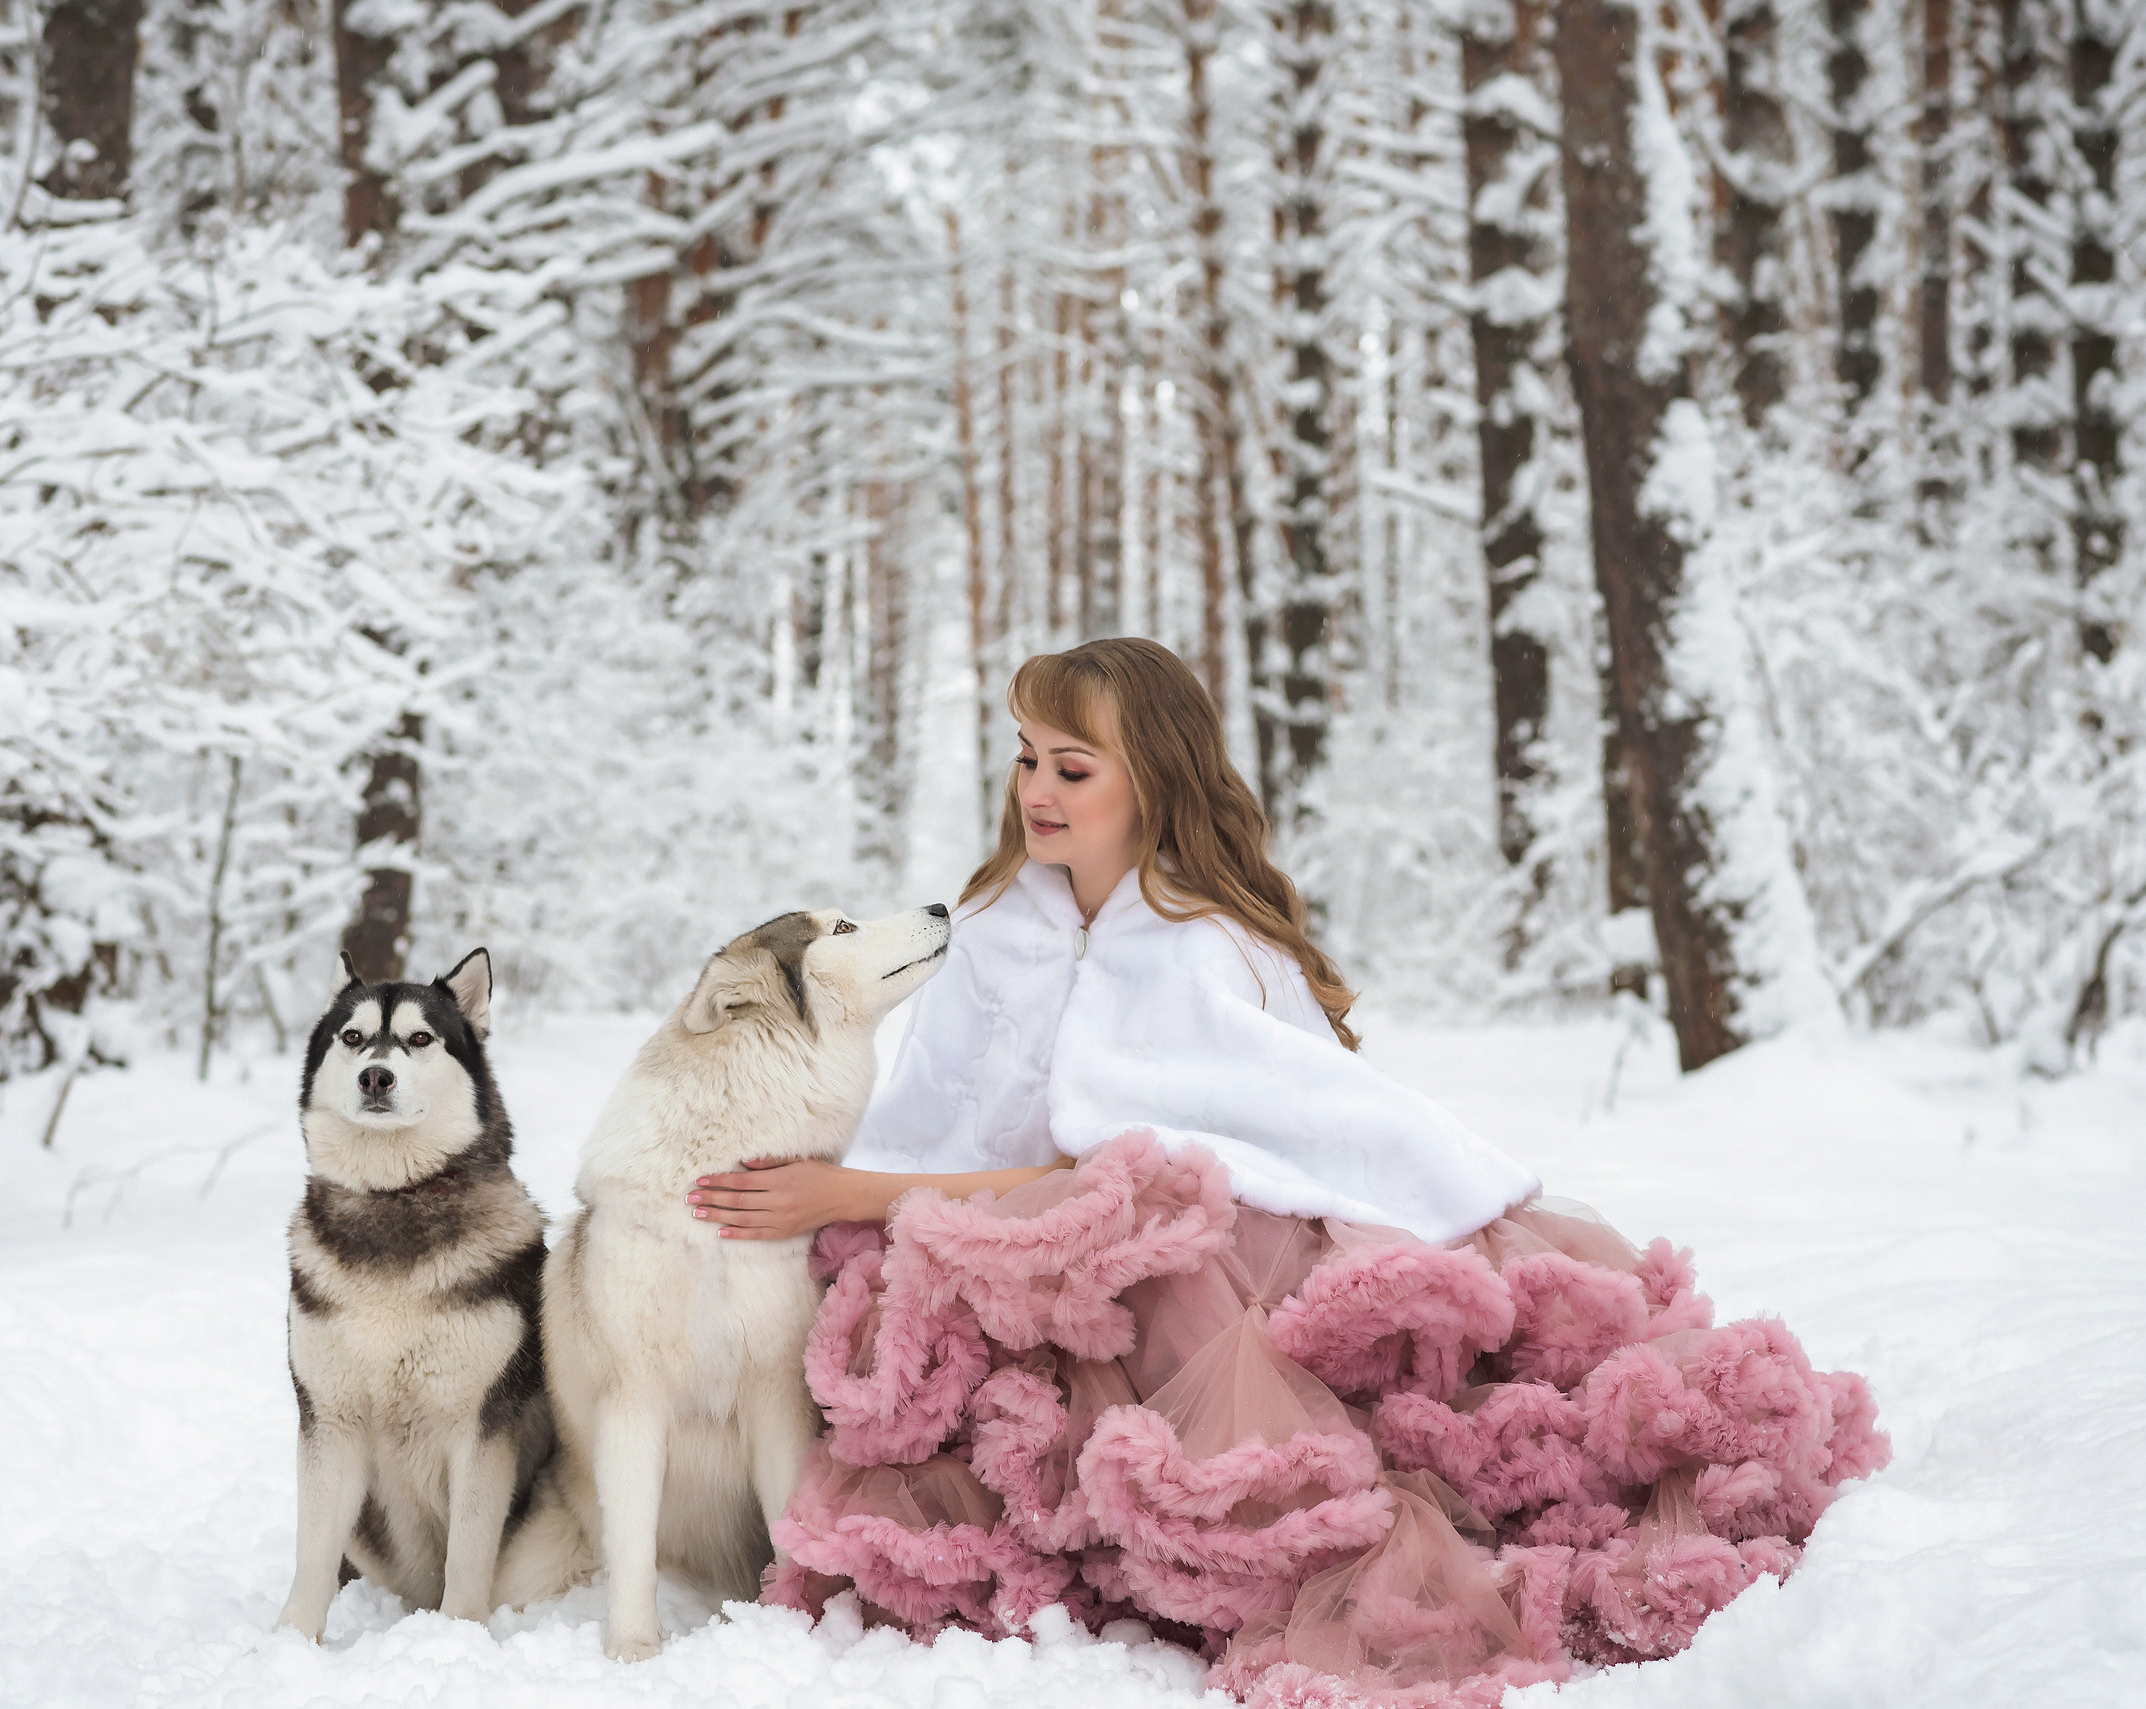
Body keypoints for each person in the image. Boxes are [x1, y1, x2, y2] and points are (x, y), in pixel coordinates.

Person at [685, 639, 1886, 1704]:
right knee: (912, 1304)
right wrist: (848, 1186)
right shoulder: (997, 923)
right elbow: (944, 1118)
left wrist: (865, 1196)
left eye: (1073, 767)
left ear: (1150, 778)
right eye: (1026, 757)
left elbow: (1136, 1169)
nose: (1036, 790)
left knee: (1148, 1252)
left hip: (1205, 1267)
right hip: (1022, 1263)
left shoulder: (1203, 938)